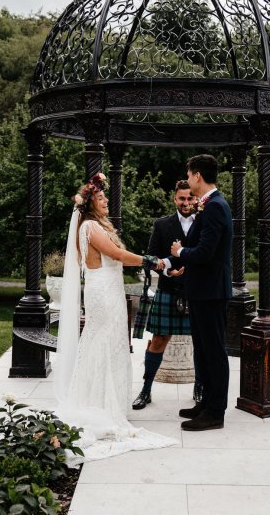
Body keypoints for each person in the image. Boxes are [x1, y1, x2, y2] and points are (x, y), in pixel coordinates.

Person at [53, 172, 177, 464]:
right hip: (103, 292)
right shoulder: (90, 227)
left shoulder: (90, 226)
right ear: (89, 204)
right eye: (100, 197)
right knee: (103, 342)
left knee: (105, 341)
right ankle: (99, 403)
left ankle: (101, 398)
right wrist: (155, 262)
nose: (106, 200)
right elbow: (117, 255)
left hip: (106, 289)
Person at [170, 154, 232, 432]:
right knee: (203, 351)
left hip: (210, 291)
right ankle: (205, 404)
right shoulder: (208, 206)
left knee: (214, 351)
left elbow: (206, 253)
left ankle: (215, 412)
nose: (189, 178)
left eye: (189, 173)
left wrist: (180, 252)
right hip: (201, 291)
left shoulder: (216, 206)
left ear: (197, 176)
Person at [132, 180, 203, 410]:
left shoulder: (203, 222)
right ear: (174, 199)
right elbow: (151, 258)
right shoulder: (162, 225)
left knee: (201, 342)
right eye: (182, 198)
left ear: (196, 199)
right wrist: (167, 270)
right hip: (168, 289)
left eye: (190, 198)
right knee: (159, 341)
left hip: (196, 292)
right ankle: (146, 390)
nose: (186, 202)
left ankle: (199, 388)